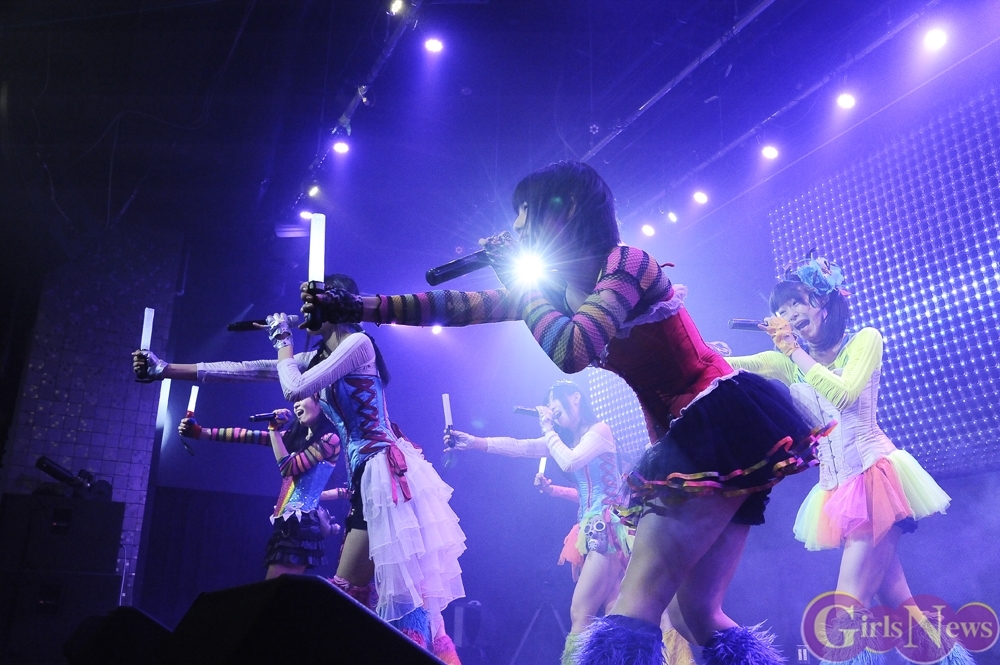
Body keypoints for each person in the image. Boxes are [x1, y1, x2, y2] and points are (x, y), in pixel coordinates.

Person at [299, 161, 827, 665]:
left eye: (524, 211)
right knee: (695, 614)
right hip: (696, 438)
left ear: (565, 210)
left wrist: (523, 288)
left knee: (636, 606)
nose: (516, 225)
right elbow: (456, 307)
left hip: (715, 422)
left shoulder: (628, 264)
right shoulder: (556, 291)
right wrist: (358, 306)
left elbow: (572, 350)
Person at [134, 274, 465, 664]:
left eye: (310, 303)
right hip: (367, 478)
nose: (303, 311)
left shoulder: (359, 345)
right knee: (371, 598)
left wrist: (282, 340)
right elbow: (245, 370)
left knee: (367, 596)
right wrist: (165, 369)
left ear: (335, 305)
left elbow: (293, 388)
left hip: (384, 474)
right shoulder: (320, 359)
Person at [724, 257, 970, 665]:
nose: (788, 314)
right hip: (837, 490)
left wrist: (794, 351)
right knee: (901, 604)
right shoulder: (786, 362)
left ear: (823, 303)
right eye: (781, 309)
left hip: (875, 477)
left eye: (795, 303)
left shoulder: (864, 340)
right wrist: (711, 352)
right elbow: (727, 367)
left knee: (847, 607)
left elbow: (844, 394)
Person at [446, 380, 630, 664]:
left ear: (576, 398)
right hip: (593, 528)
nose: (551, 409)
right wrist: (472, 442)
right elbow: (521, 447)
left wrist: (547, 428)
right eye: (549, 406)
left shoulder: (600, 430)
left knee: (581, 613)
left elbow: (569, 463)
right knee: (612, 612)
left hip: (606, 528)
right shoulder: (571, 441)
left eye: (555, 402)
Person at [177, 395, 345, 580]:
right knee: (279, 591)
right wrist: (200, 432)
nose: (296, 404)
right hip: (287, 523)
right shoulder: (297, 436)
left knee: (275, 590)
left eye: (302, 398)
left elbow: (288, 468)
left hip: (302, 525)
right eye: (294, 400)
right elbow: (246, 435)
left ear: (320, 402)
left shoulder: (330, 439)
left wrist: (274, 429)